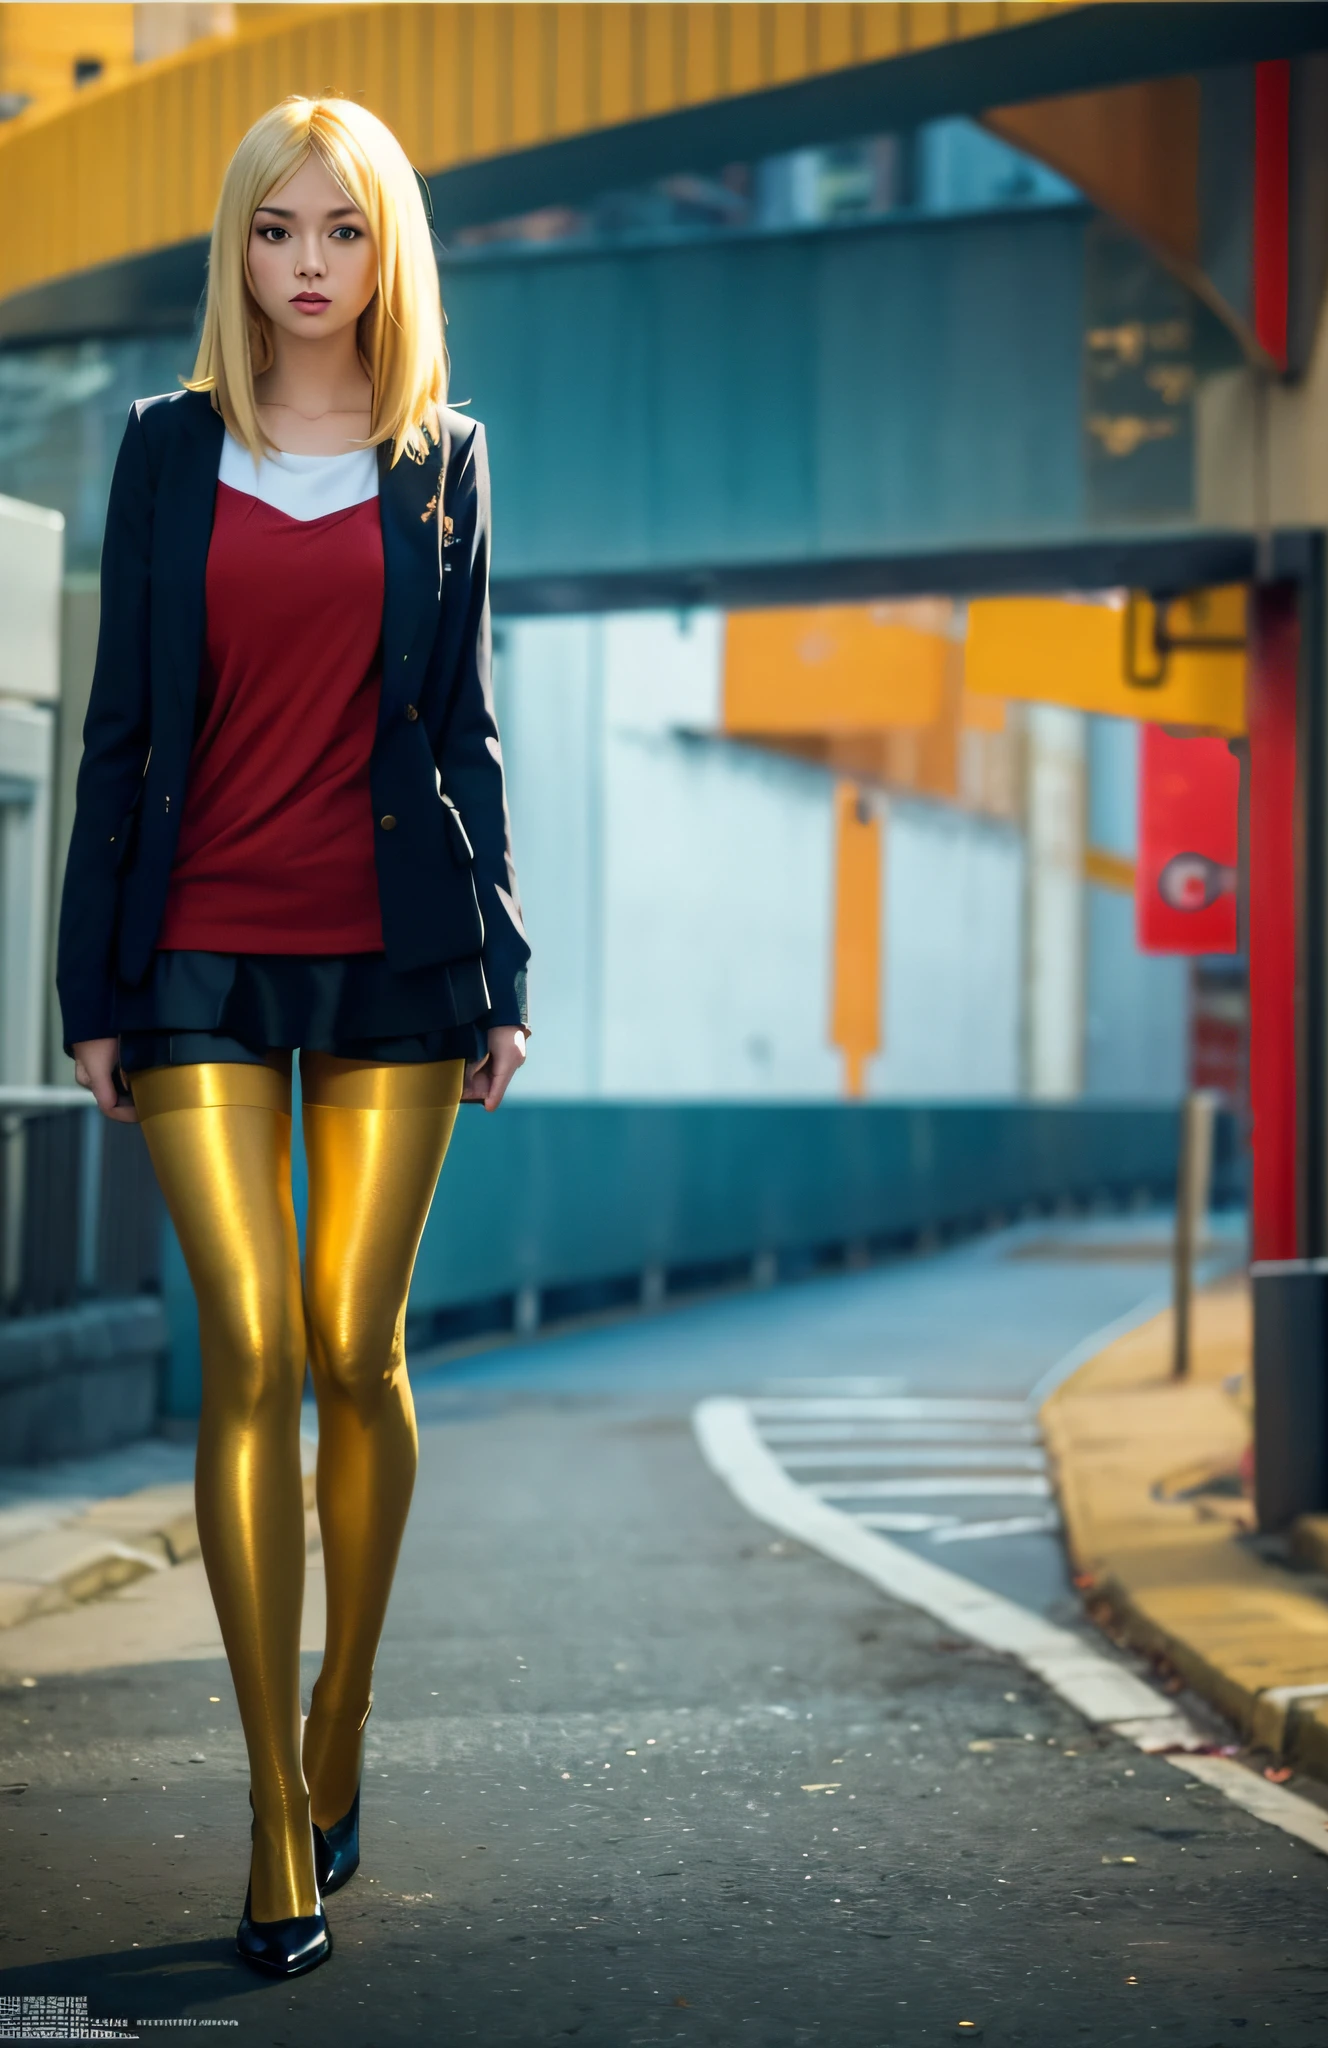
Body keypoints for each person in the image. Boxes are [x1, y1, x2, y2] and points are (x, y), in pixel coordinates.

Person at [56, 95, 529, 1978]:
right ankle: (272, 1802)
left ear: (385, 252)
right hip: (193, 962)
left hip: (398, 964)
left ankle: (345, 1710)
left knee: (358, 1344)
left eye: (341, 231)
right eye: (277, 231)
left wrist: (500, 967)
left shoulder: (445, 458)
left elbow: (466, 730)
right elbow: (118, 739)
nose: (308, 264)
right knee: (247, 1346)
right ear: (235, 249)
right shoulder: (168, 451)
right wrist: (92, 988)